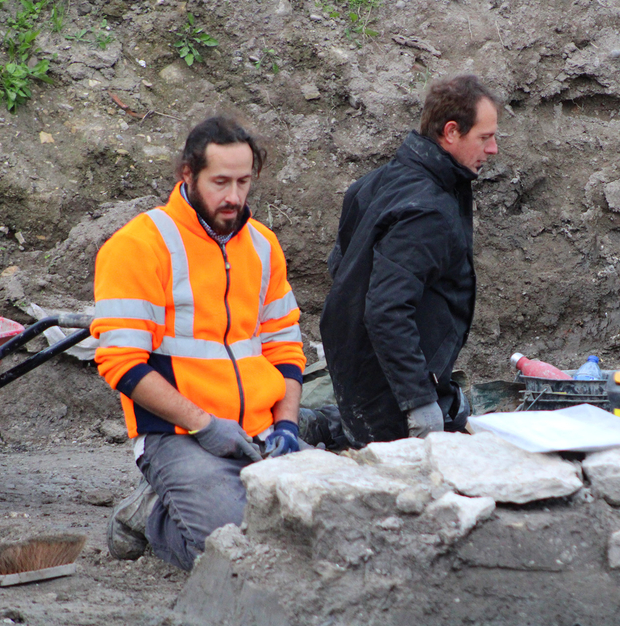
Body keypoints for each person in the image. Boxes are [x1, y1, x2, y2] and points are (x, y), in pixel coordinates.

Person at [91, 117, 306, 570]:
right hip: (177, 434)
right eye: (220, 182)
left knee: (311, 534)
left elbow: (285, 349)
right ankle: (149, 512)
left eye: (244, 182)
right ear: (187, 175)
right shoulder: (137, 246)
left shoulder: (264, 246)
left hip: (261, 430)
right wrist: (205, 425)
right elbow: (121, 365)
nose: (233, 197)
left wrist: (286, 426)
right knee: (228, 553)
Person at [319, 75, 499, 447]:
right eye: (485, 137)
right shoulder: (426, 211)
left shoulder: (378, 182)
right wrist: (418, 402)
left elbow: (341, 269)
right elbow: (386, 309)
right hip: (387, 393)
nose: (493, 148)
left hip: (365, 372)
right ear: (451, 132)